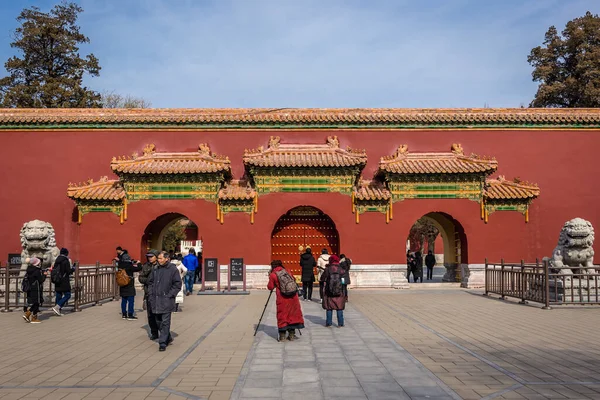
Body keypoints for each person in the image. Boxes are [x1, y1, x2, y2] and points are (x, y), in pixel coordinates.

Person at [148, 251, 182, 351]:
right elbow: (150, 282)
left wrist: (170, 295)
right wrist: (150, 293)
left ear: (166, 259)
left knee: (165, 322)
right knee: (158, 321)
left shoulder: (172, 269)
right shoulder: (155, 269)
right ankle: (168, 336)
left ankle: (162, 342)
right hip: (156, 299)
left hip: (166, 299)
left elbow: (177, 284)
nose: (158, 260)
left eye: (160, 258)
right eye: (158, 258)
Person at [267, 260, 305, 342]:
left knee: (282, 315)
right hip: (293, 297)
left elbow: (270, 287)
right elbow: (294, 280)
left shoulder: (273, 275)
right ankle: (291, 335)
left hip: (282, 297)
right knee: (293, 314)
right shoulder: (287, 271)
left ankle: (282, 335)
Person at [139, 249, 160, 339]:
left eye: (152, 256)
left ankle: (164, 332)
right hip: (149, 293)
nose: (150, 258)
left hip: (160, 294)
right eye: (149, 257)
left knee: (160, 315)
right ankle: (154, 332)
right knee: (150, 315)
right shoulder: (146, 266)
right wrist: (148, 281)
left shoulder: (161, 266)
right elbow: (141, 278)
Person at [321, 255, 346, 328]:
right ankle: (340, 323)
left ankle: (329, 323)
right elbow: (344, 279)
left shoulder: (328, 269)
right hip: (339, 291)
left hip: (329, 291)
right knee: (339, 307)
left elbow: (322, 278)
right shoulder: (341, 269)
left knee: (329, 307)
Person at [52, 248, 75, 316]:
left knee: (58, 294)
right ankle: (57, 307)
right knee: (68, 295)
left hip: (57, 280)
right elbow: (68, 271)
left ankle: (57, 310)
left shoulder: (57, 260)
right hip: (64, 280)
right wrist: (73, 269)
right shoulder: (65, 260)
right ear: (66, 253)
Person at [22, 257, 46, 324]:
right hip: (36, 288)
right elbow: (41, 280)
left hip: (30, 287)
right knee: (36, 302)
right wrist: (44, 275)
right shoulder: (37, 271)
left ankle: (32, 316)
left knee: (35, 302)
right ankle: (29, 315)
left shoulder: (29, 269)